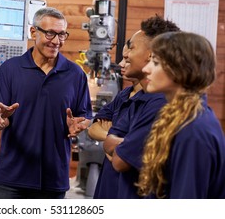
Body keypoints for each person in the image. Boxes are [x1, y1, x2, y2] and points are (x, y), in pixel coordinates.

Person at [0, 7, 93, 199]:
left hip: (53, 178)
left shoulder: (75, 74)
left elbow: (84, 116)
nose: (56, 41)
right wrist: (0, 119)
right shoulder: (10, 69)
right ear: (33, 32)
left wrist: (79, 125)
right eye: (50, 33)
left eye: (62, 34)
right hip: (12, 177)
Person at [137, 31, 225, 198]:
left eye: (155, 63)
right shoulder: (179, 116)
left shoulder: (193, 129)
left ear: (181, 69)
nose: (145, 69)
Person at [104, 15, 180, 198]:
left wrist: (119, 145)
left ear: (151, 54)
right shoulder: (137, 96)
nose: (126, 56)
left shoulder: (160, 103)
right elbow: (107, 141)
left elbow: (120, 159)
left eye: (131, 48)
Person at [88, 40, 142, 198]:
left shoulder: (151, 102)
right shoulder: (123, 95)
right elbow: (93, 129)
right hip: (108, 184)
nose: (120, 64)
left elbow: (129, 152)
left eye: (127, 59)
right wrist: (112, 139)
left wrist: (109, 139)